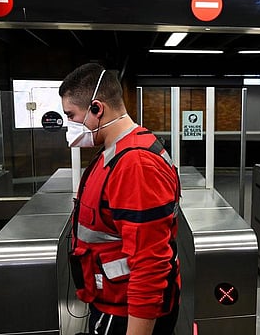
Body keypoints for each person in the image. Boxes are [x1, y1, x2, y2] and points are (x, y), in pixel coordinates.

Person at [59, 63, 181, 335]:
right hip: (110, 302)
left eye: (71, 115)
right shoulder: (115, 152)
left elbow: (150, 263)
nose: (69, 124)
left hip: (125, 314)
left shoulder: (135, 164)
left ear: (96, 109)